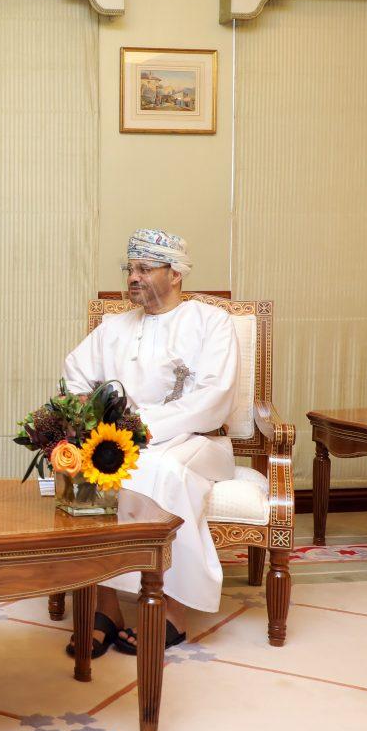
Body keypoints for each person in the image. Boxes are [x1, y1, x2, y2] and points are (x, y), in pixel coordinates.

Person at [61, 228, 239, 657]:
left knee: (162, 470)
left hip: (198, 440)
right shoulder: (114, 327)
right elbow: (75, 375)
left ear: (175, 273)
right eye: (130, 268)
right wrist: (94, 417)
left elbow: (214, 399)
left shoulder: (211, 322)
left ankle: (172, 611)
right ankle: (105, 609)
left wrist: (141, 427)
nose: (133, 277)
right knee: (92, 470)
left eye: (144, 269)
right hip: (126, 440)